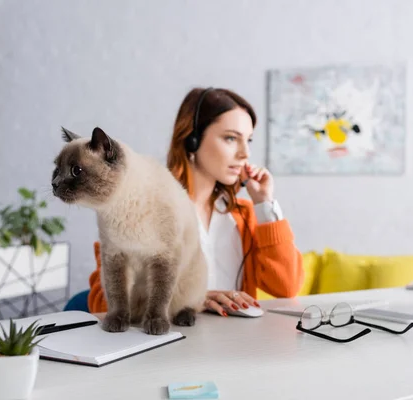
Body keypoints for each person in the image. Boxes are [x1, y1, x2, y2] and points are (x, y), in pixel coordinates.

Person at [87, 87, 304, 317]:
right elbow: (101, 304)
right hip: (168, 347)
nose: (245, 153)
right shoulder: (141, 208)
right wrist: (191, 300)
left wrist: (264, 203)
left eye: (248, 140)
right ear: (192, 139)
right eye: (231, 138)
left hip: (237, 345)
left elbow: (287, 287)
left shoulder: (244, 215)